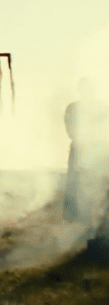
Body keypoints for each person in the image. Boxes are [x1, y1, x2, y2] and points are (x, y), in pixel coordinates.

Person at [63, 78, 109, 224]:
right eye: (85, 89)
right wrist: (81, 140)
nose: (88, 92)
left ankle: (102, 214)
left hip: (100, 149)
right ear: (80, 90)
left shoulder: (102, 107)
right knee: (73, 180)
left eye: (90, 88)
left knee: (102, 181)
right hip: (79, 148)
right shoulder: (72, 108)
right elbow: (69, 127)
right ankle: (71, 215)